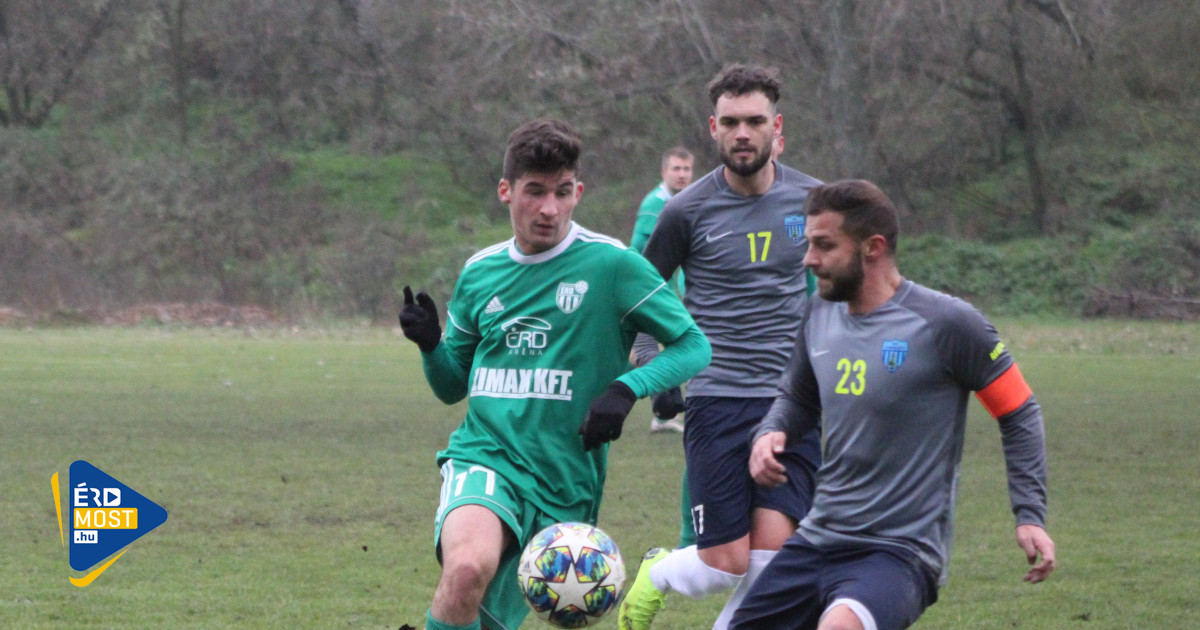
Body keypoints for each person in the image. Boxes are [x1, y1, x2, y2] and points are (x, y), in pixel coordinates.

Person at [398, 119, 711, 630]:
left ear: (578, 193)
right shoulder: (481, 271)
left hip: (566, 479)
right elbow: (452, 386)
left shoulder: (613, 266)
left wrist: (625, 389)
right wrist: (432, 346)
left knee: (487, 619)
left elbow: (695, 345)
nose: (549, 208)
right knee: (466, 570)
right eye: (535, 192)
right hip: (486, 455)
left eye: (562, 193)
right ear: (506, 191)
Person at [731, 179, 1056, 629]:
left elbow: (1018, 411)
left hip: (900, 551)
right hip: (819, 536)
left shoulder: (947, 323)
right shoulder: (818, 311)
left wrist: (1029, 514)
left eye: (825, 245)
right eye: (809, 244)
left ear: (873, 247)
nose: (808, 259)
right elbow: (798, 397)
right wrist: (772, 431)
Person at [620, 64, 824, 630]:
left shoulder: (813, 201)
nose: (742, 133)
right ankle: (659, 571)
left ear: (776, 127)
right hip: (718, 400)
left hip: (792, 405)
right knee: (727, 562)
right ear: (713, 128)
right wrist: (654, 371)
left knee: (774, 562)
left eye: (754, 121)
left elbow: (836, 293)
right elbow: (641, 300)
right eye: (730, 122)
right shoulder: (684, 211)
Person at [631, 146, 696, 434]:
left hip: (663, 291)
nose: (682, 174)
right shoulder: (655, 205)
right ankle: (666, 408)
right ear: (663, 172)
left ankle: (664, 412)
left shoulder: (684, 200)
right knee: (664, 347)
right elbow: (650, 259)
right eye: (676, 169)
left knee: (674, 346)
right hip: (646, 291)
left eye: (687, 169)